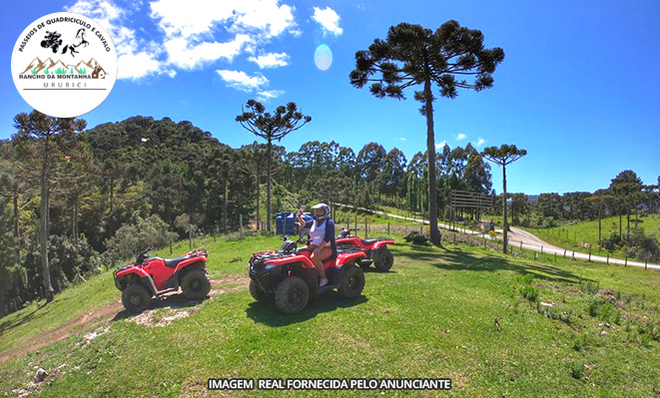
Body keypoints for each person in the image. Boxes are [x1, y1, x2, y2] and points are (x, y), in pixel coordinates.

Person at [297, 203, 337, 287]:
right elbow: (304, 225)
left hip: (326, 247)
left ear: (325, 212)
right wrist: (299, 217)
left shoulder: (329, 223)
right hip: (313, 245)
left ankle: (323, 278)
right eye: (316, 211)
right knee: (298, 252)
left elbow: (328, 238)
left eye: (319, 211)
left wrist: (319, 248)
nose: (317, 212)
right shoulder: (313, 221)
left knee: (314, 257)